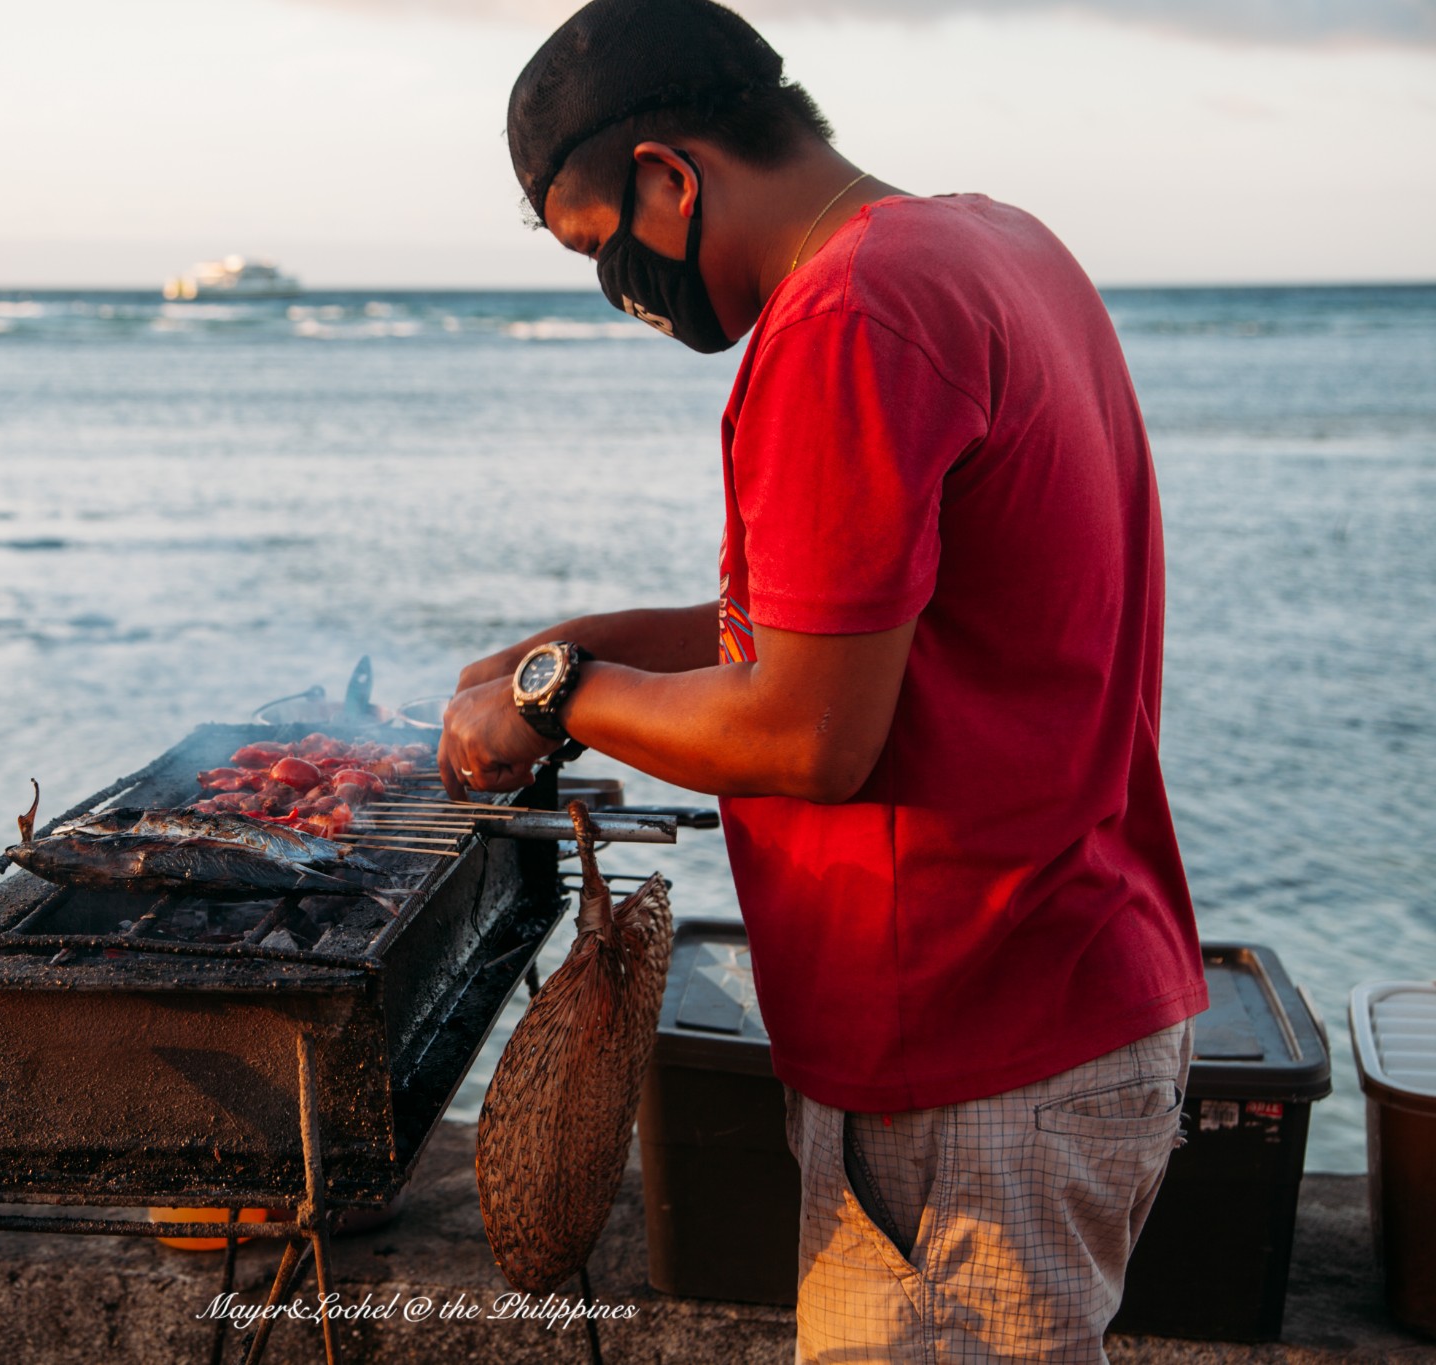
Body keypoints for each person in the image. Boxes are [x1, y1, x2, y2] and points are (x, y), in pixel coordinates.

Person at [440, 0, 1211, 1358]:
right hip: (1055, 1006)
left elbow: (804, 731)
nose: (618, 291)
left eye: (603, 248)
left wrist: (557, 693)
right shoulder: (989, 244)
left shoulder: (850, 313)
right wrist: (561, 644)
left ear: (669, 179)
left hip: (973, 1064)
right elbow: (817, 625)